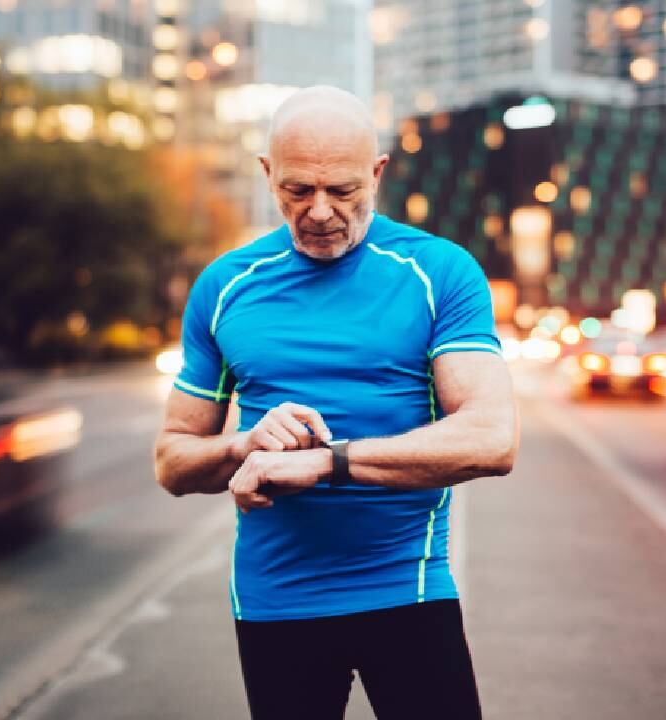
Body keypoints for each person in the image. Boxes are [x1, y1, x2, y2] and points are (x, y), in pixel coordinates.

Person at [153, 85, 518, 720]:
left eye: (343, 190)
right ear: (268, 175)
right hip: (276, 601)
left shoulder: (440, 272)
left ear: (377, 173)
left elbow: (492, 437)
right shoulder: (224, 286)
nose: (321, 212)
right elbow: (172, 463)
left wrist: (328, 462)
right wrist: (245, 445)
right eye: (298, 191)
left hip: (409, 590)